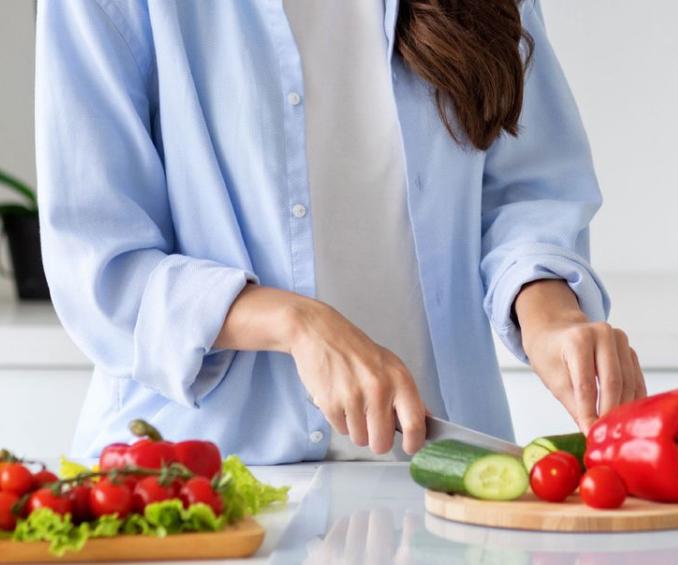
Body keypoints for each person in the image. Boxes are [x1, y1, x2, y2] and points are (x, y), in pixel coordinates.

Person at [35, 0, 646, 464]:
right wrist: (297, 324)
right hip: (211, 483)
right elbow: (101, 265)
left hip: (441, 479)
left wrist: (548, 314)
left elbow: (526, 188)